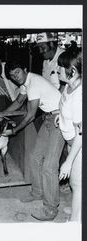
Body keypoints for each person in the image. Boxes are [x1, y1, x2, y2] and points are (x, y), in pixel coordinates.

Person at [3, 59, 65, 221]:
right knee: (34, 156)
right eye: (11, 76)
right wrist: (0, 115)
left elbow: (30, 115)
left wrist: (14, 130)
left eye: (17, 72)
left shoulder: (34, 83)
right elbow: (18, 102)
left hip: (60, 119)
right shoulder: (26, 83)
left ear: (24, 69)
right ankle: (37, 192)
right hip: (49, 118)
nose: (15, 77)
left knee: (49, 166)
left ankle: (51, 208)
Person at [55, 49, 82, 221]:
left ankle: (75, 223)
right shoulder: (69, 85)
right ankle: (76, 210)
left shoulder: (80, 96)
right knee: (75, 183)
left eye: (60, 67)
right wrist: (61, 115)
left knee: (78, 184)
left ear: (72, 70)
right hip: (71, 142)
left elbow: (81, 133)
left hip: (79, 145)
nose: (57, 70)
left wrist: (68, 161)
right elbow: (64, 101)